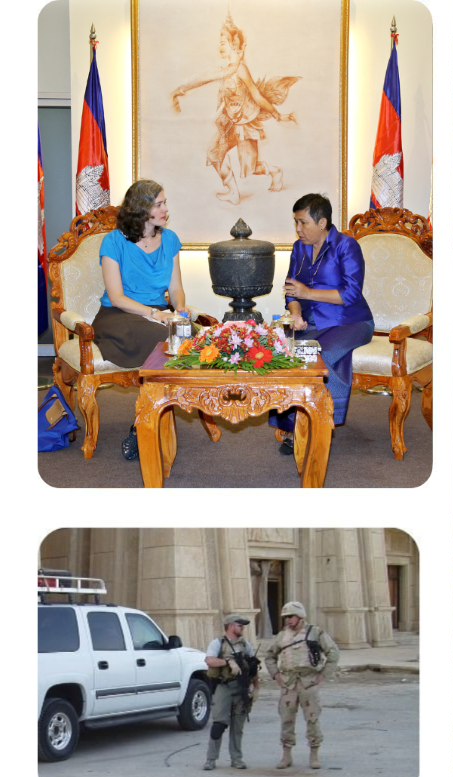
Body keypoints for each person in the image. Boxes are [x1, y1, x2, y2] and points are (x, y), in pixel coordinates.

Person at [269, 193, 374, 455]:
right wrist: (295, 314)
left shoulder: (346, 246)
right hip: (311, 321)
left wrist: (308, 294)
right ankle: (293, 425)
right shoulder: (299, 248)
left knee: (316, 356)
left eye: (303, 223)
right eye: (296, 223)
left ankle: (318, 423)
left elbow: (350, 295)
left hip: (351, 321)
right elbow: (291, 290)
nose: (298, 229)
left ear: (322, 223)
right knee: (283, 353)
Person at [92, 179, 187, 459]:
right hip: (119, 315)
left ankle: (147, 419)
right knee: (162, 340)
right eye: (159, 204)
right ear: (140, 209)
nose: (166, 209)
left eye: (165, 202)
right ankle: (147, 422)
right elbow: (117, 297)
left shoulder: (169, 239)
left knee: (190, 336)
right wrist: (156, 315)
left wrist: (179, 312)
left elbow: (176, 288)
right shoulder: (113, 241)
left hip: (159, 312)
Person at [170, 11, 299, 204]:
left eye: (223, 43)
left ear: (234, 45)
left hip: (246, 124)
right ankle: (233, 192)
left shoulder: (240, 69)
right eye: (220, 43)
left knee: (251, 168)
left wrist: (277, 114)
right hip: (229, 123)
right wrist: (182, 89)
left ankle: (275, 171)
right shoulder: (226, 70)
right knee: (214, 153)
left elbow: (257, 96)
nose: (219, 47)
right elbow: (206, 76)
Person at [263, 601, 340, 769]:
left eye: (291, 616)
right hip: (289, 683)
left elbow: (333, 652)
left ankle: (314, 754)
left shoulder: (315, 632)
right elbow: (269, 655)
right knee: (286, 719)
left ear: (300, 616)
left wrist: (323, 674)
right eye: (285, 617)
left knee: (312, 718)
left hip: (308, 682)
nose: (288, 620)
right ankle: (286, 755)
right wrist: (276, 674)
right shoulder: (282, 636)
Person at [203, 614, 259, 771]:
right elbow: (209, 660)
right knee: (218, 725)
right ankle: (211, 759)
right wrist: (228, 661)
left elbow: (253, 667)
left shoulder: (245, 645)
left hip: (241, 688)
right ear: (230, 626)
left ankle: (236, 758)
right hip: (224, 686)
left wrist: (256, 688)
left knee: (238, 726)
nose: (242, 628)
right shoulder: (218, 643)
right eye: (239, 625)